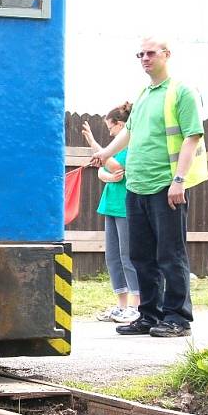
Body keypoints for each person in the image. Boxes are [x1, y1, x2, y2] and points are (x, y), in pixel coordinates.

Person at [91, 37, 208, 338]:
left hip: (165, 186)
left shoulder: (181, 91)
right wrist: (105, 152)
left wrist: (178, 181)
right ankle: (149, 315)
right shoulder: (143, 94)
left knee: (170, 254)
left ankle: (177, 319)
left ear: (167, 55)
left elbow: (192, 137)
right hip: (137, 187)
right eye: (140, 54)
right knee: (141, 256)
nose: (145, 58)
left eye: (151, 53)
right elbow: (129, 133)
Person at [82, 103, 140, 323]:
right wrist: (104, 174)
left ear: (122, 125)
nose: (110, 133)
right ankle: (121, 305)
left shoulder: (129, 146)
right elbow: (102, 171)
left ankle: (136, 305)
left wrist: (95, 145)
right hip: (110, 206)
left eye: (111, 128)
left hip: (125, 208)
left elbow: (114, 167)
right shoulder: (114, 149)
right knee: (113, 258)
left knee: (128, 256)